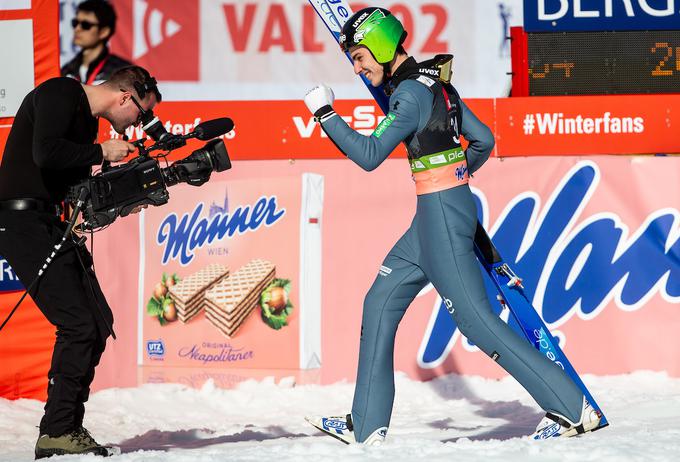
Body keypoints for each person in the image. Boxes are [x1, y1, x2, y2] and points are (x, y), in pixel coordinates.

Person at [303, 7, 601, 445]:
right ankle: (365, 426)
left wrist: (324, 112)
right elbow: (483, 140)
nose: (357, 67)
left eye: (361, 56)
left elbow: (368, 156)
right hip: (437, 212)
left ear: (384, 48)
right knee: (379, 303)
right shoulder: (437, 84)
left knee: (479, 324)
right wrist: (457, 177)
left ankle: (573, 410)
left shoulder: (407, 96)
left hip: (440, 214)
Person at [0, 66, 161, 458]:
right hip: (22, 221)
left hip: (50, 222)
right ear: (125, 97)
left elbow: (69, 178)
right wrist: (102, 152)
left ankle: (65, 426)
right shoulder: (61, 92)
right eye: (140, 114)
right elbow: (46, 151)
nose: (137, 124)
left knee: (97, 321)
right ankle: (57, 431)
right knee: (77, 323)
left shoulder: (87, 125)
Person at [61, 0, 132, 85]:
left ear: (104, 32)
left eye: (86, 25)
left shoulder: (122, 71)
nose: (77, 29)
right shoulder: (67, 70)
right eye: (75, 23)